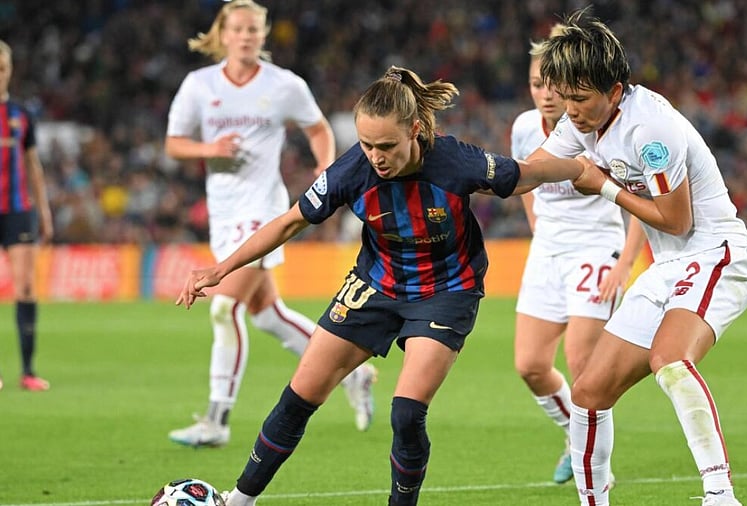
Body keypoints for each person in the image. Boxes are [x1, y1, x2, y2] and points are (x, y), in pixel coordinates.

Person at [175, 65, 590, 506]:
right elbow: (291, 220)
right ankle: (239, 500)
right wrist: (222, 269)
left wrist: (584, 169)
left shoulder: (455, 162)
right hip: (376, 284)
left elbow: (524, 174)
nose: (376, 156)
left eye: (387, 145)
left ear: (415, 131)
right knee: (300, 395)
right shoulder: (352, 169)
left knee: (406, 414)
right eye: (368, 144)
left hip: (446, 291)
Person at [532, 12, 747, 506]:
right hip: (670, 268)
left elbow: (676, 221)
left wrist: (605, 187)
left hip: (719, 254)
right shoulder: (587, 122)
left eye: (579, 98)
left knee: (670, 360)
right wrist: (470, 172)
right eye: (564, 98)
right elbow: (538, 168)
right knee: (589, 393)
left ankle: (719, 495)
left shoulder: (649, 129)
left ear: (614, 91)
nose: (568, 111)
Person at [164, 0, 376, 446]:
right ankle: (354, 375)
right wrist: (211, 150)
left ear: (263, 35)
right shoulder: (198, 86)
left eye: (254, 30)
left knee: (225, 307)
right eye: (238, 29)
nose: (246, 36)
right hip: (223, 213)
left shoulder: (284, 85)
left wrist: (324, 168)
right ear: (223, 33)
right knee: (268, 315)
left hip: (263, 209)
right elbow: (174, 144)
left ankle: (216, 420)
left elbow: (318, 128)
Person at [510, 25, 644, 485]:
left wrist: (625, 265)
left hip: (596, 248)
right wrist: (534, 223)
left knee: (582, 365)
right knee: (529, 364)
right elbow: (524, 179)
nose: (544, 95)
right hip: (547, 250)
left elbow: (639, 201)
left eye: (552, 85)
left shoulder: (594, 128)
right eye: (535, 84)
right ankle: (576, 437)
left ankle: (596, 472)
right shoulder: (524, 128)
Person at [0, 40, 53, 392]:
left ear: (10, 69)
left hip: (19, 210)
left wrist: (44, 210)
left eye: (1, 66)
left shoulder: (21, 113)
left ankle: (28, 371)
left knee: (27, 287)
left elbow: (33, 166)